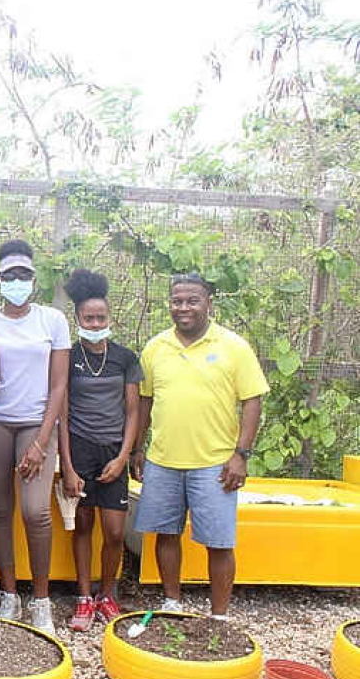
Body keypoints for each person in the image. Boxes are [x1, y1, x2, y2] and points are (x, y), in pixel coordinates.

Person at [131, 273, 268, 619]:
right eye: (177, 301)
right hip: (162, 461)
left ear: (209, 303)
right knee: (165, 533)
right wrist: (137, 449)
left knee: (219, 541)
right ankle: (172, 602)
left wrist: (241, 455)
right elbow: (144, 403)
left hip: (216, 463)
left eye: (192, 300)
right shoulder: (155, 348)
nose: (184, 307)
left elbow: (252, 401)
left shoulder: (233, 347)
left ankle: (219, 615)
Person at [0, 239, 70, 634]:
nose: (17, 282)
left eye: (24, 275)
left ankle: (42, 600)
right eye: (9, 276)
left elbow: (60, 385)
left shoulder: (52, 320)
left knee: (35, 510)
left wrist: (41, 441)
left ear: (34, 278)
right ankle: (9, 594)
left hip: (37, 421)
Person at [58, 269, 142, 631]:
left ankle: (107, 594)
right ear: (77, 319)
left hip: (113, 451)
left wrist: (124, 456)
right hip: (79, 450)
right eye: (89, 318)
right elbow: (60, 410)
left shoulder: (125, 358)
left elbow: (134, 410)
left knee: (114, 532)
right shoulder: (68, 356)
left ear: (110, 318)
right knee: (83, 526)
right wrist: (68, 465)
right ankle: (83, 597)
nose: (95, 323)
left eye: (101, 317)